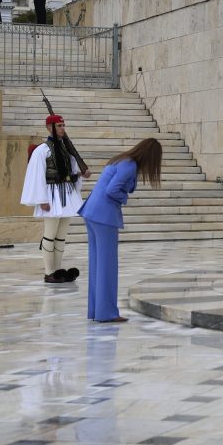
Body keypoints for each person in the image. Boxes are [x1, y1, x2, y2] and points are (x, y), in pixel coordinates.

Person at [79, 138, 162, 322]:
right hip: (104, 216)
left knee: (97, 265)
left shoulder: (122, 160)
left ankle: (96, 311)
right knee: (107, 266)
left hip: (92, 212)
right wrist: (124, 197)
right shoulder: (130, 165)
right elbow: (112, 190)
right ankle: (107, 313)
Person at [21, 114, 90, 283]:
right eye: (59, 125)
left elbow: (70, 170)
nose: (62, 128)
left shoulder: (66, 148)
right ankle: (49, 271)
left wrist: (81, 173)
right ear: (49, 128)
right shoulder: (42, 150)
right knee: (50, 234)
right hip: (51, 196)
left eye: (63, 125)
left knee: (61, 235)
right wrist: (41, 199)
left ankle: (58, 271)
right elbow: (37, 176)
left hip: (66, 193)